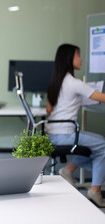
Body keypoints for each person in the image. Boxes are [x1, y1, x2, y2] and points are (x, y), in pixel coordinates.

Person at [45, 43, 105, 207]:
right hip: (66, 134)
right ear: (69, 58)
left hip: (52, 134)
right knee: (102, 145)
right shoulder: (73, 82)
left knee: (96, 147)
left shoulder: (56, 81)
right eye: (79, 55)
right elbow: (101, 97)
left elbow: (48, 109)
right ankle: (95, 190)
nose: (82, 59)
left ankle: (68, 170)